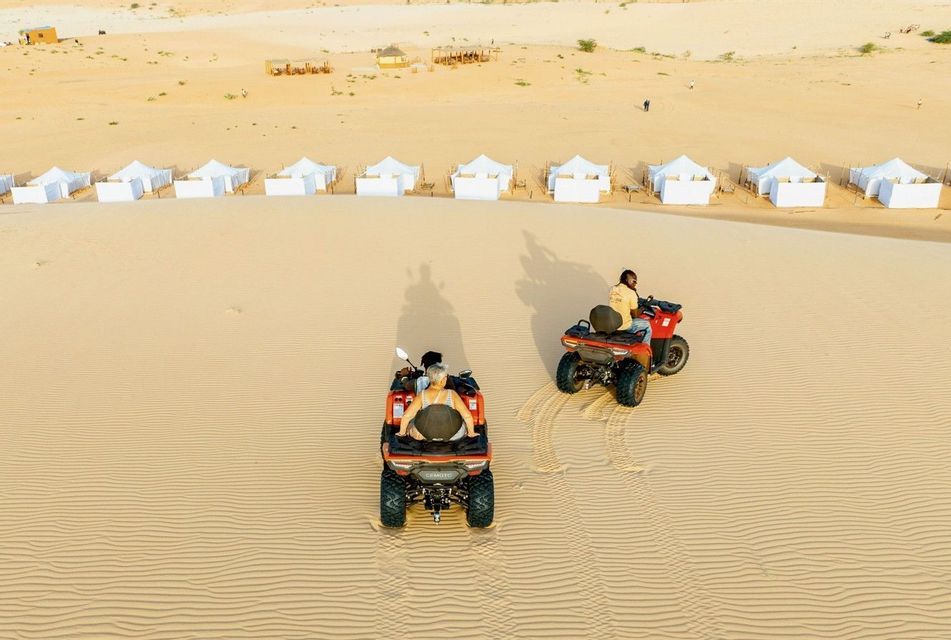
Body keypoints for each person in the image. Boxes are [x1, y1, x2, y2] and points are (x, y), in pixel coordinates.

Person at [398, 363, 477, 441]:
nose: (446, 379)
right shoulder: (452, 394)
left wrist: (401, 433)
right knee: (464, 425)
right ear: (442, 380)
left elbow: (406, 416)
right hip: (453, 437)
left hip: (424, 436)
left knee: (411, 424)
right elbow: (467, 416)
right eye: (446, 377)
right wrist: (471, 433)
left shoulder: (422, 395)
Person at [608, 269, 652, 345]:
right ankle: (645, 349)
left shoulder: (612, 289)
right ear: (626, 280)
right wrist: (642, 309)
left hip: (612, 323)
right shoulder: (631, 293)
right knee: (647, 325)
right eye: (634, 281)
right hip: (624, 326)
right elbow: (635, 315)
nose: (635, 283)